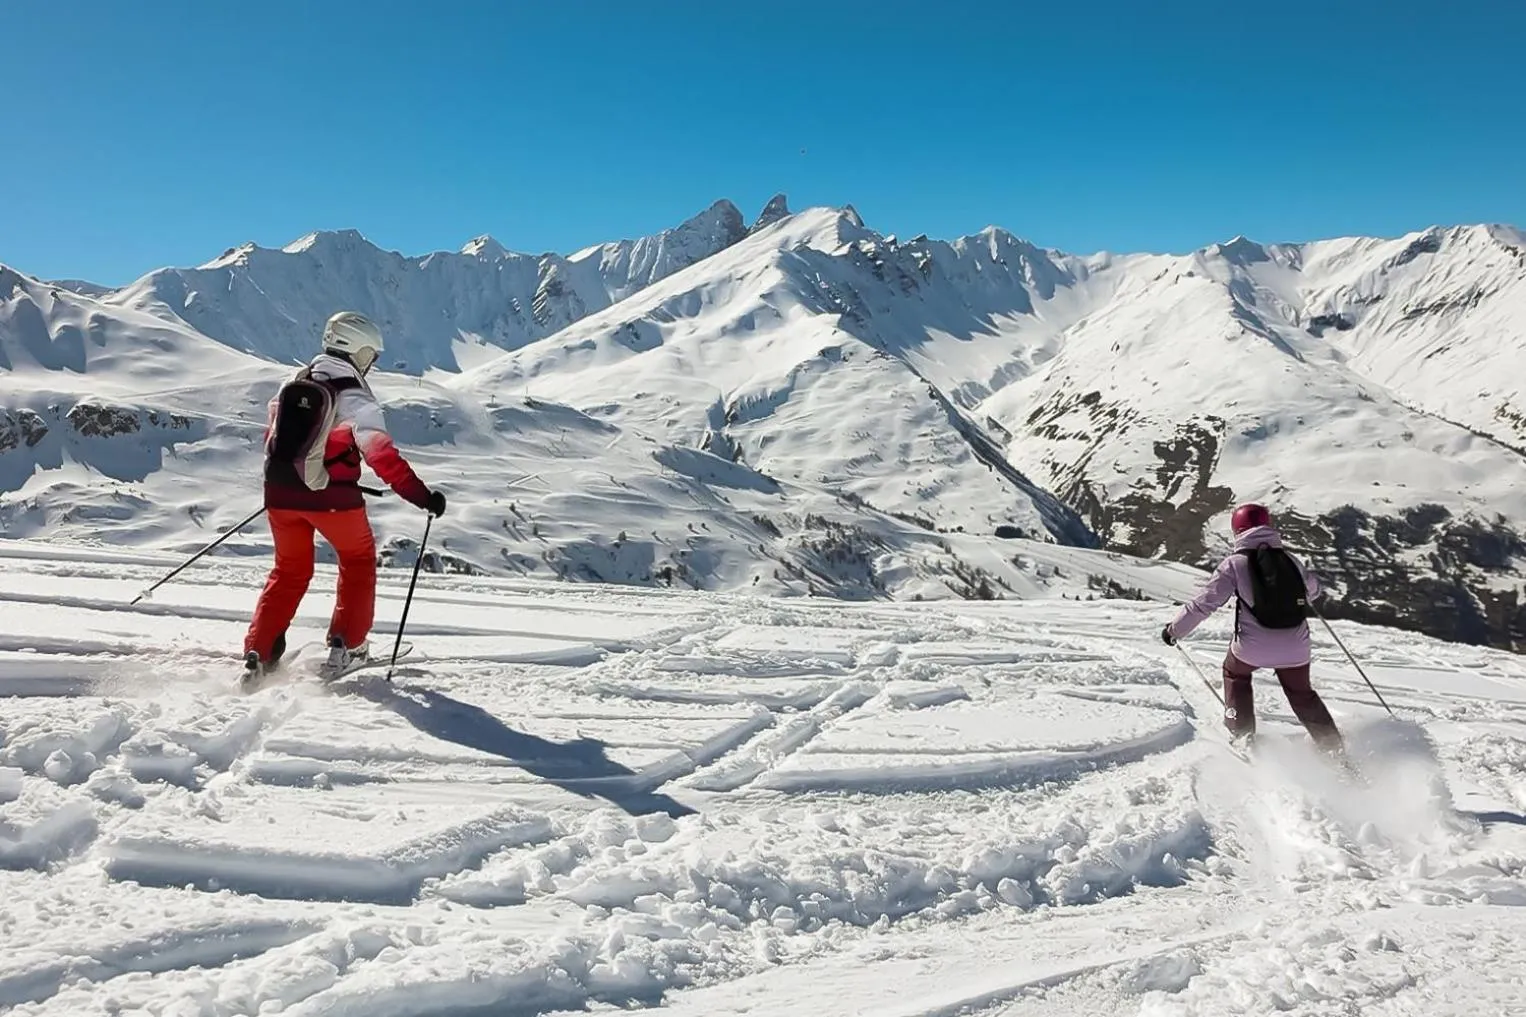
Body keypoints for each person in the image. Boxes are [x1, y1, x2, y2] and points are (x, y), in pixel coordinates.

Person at [242, 311, 445, 681]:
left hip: (281, 494)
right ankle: (347, 647)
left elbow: (275, 442)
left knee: (288, 571)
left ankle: (259, 652)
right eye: (370, 355)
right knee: (357, 560)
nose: (371, 363)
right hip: (334, 500)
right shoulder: (355, 398)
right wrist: (422, 497)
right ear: (358, 351)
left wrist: (288, 487)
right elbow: (382, 457)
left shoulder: (292, 384)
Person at [1161, 503, 1342, 752]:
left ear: (1238, 529)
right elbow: (1314, 591)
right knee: (1302, 695)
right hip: (1296, 647)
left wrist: (1174, 631)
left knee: (1235, 674)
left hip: (1251, 648)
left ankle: (1241, 733)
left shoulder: (1234, 564)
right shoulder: (1290, 560)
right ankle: (1333, 748)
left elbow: (1204, 603)